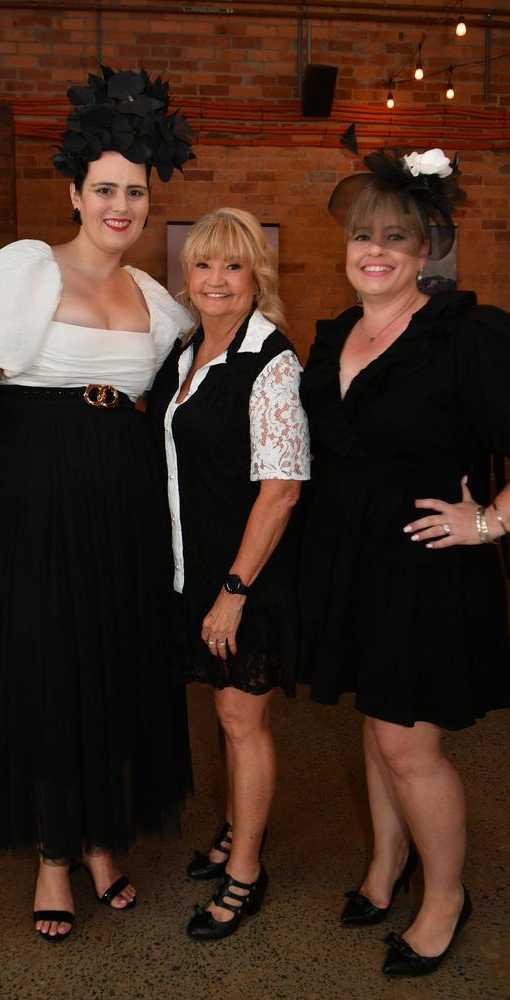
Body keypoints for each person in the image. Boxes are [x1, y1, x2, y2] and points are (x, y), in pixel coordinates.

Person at [0, 66, 195, 942]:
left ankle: (105, 839)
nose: (122, 205)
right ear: (75, 193)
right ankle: (52, 854)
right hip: (33, 510)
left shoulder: (154, 300)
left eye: (135, 192)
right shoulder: (22, 272)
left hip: (124, 516)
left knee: (114, 668)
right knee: (46, 676)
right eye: (105, 189)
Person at [298, 147, 510, 976]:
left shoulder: (468, 334)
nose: (374, 250)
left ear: (428, 250)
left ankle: (447, 898)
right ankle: (386, 867)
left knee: (406, 743)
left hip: (427, 564)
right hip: (352, 562)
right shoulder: (337, 332)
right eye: (362, 237)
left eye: (396, 236)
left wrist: (489, 522)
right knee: (376, 721)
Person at [148, 208, 311, 940]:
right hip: (197, 570)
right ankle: (233, 831)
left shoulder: (272, 362)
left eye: (233, 266)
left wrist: (235, 593)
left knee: (244, 719)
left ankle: (246, 870)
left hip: (245, 579)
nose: (217, 280)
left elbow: (281, 491)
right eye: (204, 265)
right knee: (223, 711)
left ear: (257, 277)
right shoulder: (185, 353)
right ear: (188, 276)